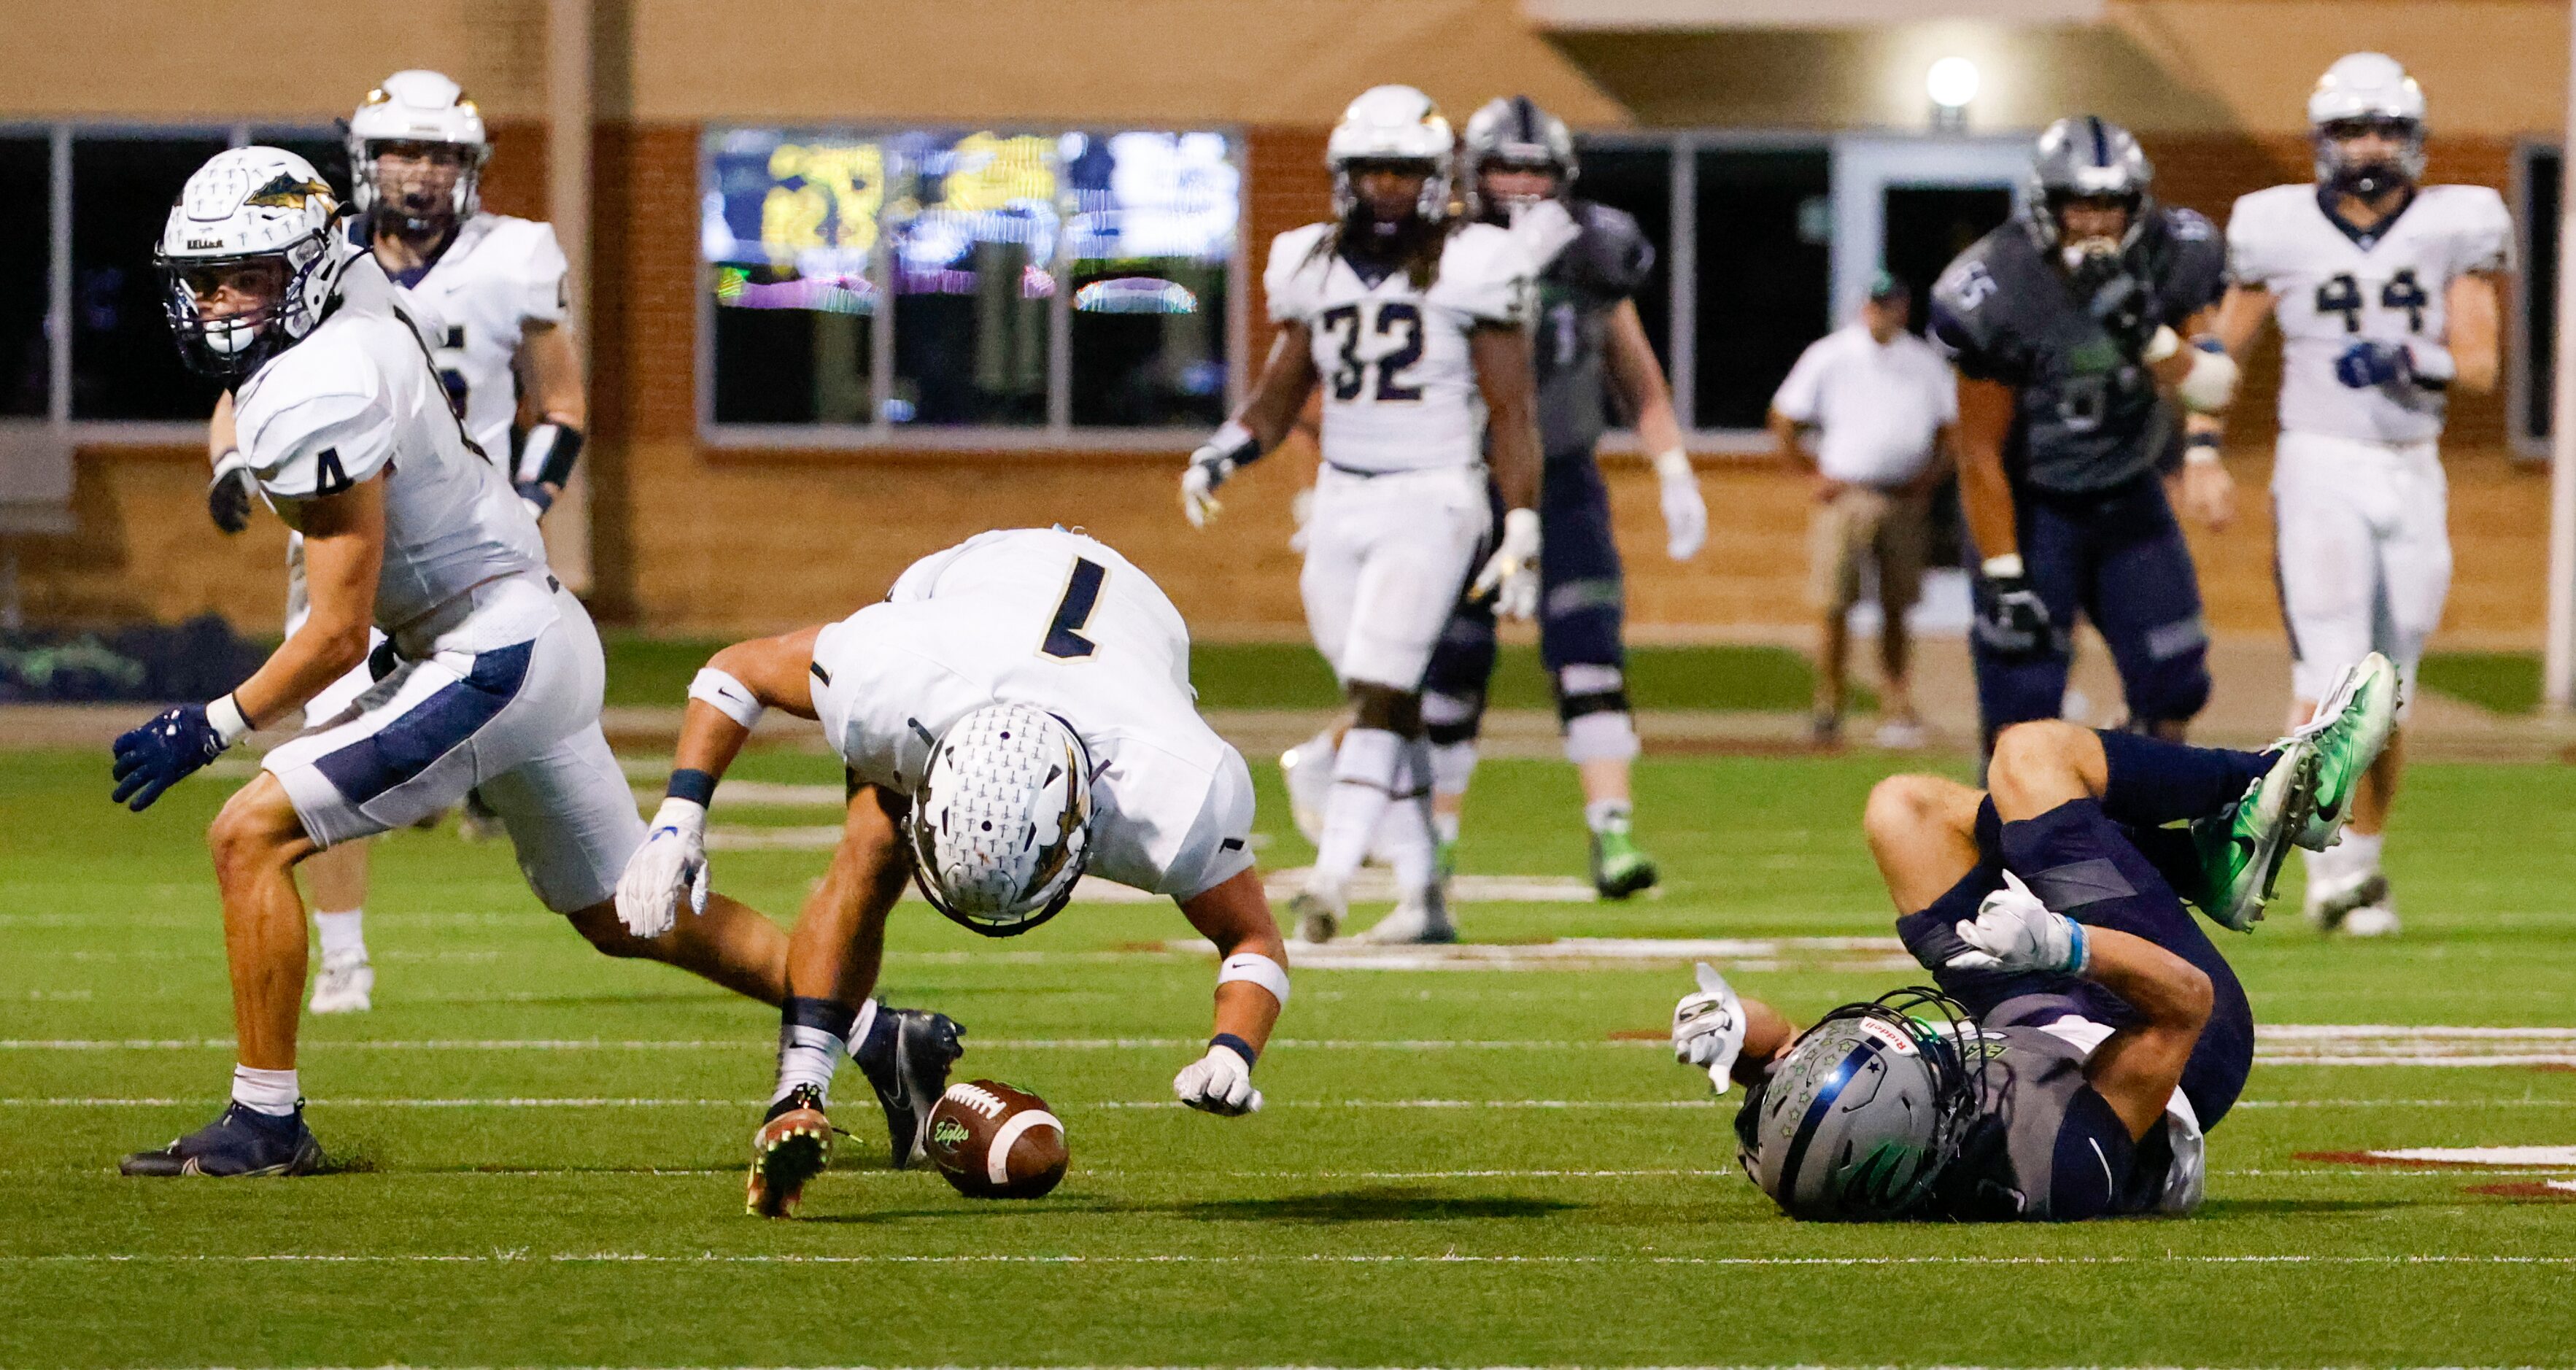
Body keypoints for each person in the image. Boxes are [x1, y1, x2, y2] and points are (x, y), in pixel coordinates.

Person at [111, 148, 943, 1180]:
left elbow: (333, 633)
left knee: (249, 832)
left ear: (315, 267)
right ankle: (874, 1033)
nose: (224, 305)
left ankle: (265, 1120)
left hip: (486, 650)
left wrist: (211, 724)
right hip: (527, 625)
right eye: (206, 282)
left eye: (250, 277)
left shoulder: (320, 383)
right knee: (626, 913)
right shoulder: (354, 294)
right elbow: (363, 242)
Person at [616, 527, 1291, 1217]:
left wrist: (1232, 1052)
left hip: (1142, 626)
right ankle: (798, 1092)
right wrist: (677, 821)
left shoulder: (1172, 788)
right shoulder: (893, 674)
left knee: (874, 842)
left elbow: (1253, 937)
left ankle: (856, 1064)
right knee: (874, 846)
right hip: (970, 588)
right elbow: (738, 671)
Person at [1671, 654, 2397, 1220]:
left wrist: (1734, 1035)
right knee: (2030, 757)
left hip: (2032, 1021)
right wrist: (2066, 946)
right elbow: (2187, 1003)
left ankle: (2194, 862)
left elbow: (1795, 1064)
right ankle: (2269, 784)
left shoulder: (1863, 1154)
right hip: (2162, 1032)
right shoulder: (2049, 1159)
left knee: (1905, 812)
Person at [200, 70, 592, 1013]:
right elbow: (242, 382)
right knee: (326, 726)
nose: (418, 174)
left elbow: (562, 402)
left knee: (536, 736)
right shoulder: (321, 262)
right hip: (353, 527)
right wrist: (227, 464)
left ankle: (497, 783)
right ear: (364, 162)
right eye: (401, 153)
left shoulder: (514, 257)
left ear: (470, 167)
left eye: (439, 155)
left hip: (473, 542)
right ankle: (345, 957)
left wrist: (534, 495)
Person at [1289, 94, 1703, 914]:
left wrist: (1674, 466)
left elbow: (1635, 372)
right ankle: (1432, 841)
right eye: (1503, 169)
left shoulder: (1594, 251)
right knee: (1448, 668)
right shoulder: (1438, 253)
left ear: (1563, 177)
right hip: (1461, 480)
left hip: (1568, 476)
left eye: (1534, 170)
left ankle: (1611, 827)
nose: (1518, 184)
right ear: (1469, 178)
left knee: (1589, 654)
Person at [1180, 85, 1543, 944]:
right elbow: (1278, 398)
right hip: (1343, 496)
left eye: (1403, 170)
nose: (1386, 186)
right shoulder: (1312, 262)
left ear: (1434, 177)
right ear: (1345, 176)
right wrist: (1223, 452)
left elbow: (1513, 411)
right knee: (1383, 694)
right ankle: (1422, 897)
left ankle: (1335, 875)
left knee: (1382, 684)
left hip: (1435, 494)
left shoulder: (1476, 261)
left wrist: (1521, 522)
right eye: (1371, 169)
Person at [2206, 53, 2508, 937]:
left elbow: (2482, 366)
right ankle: (2309, 869)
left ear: (2412, 140)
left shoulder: (2461, 221)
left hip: (2413, 465)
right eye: (2350, 130)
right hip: (2320, 463)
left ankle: (2360, 871)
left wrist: (2413, 358)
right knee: (2335, 674)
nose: (2369, 146)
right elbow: (2225, 353)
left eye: (2384, 129)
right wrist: (2196, 448)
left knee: (2394, 686)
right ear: (2320, 140)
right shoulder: (2275, 226)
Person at [1930, 116, 2243, 754]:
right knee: (2021, 704)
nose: (2096, 223)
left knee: (2174, 684)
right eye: (2079, 206)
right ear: (2047, 206)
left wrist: (2145, 335)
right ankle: (2020, 849)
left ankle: (2148, 828)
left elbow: (2210, 387)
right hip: (2033, 502)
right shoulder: (1995, 286)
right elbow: (1979, 451)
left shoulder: (2174, 252)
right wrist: (2004, 573)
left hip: (2129, 491)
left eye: (2111, 205)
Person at [1768, 271, 1957, 748]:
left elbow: (1948, 427)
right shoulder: (1830, 355)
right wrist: (1811, 473)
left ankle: (1896, 704)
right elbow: (1784, 416)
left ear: (1904, 309)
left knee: (1897, 606)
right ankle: (1827, 705)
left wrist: (1930, 477)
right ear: (1862, 308)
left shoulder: (1922, 362)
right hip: (1844, 495)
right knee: (1833, 604)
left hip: (1900, 496)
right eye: (1875, 304)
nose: (1882, 312)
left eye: (1890, 304)